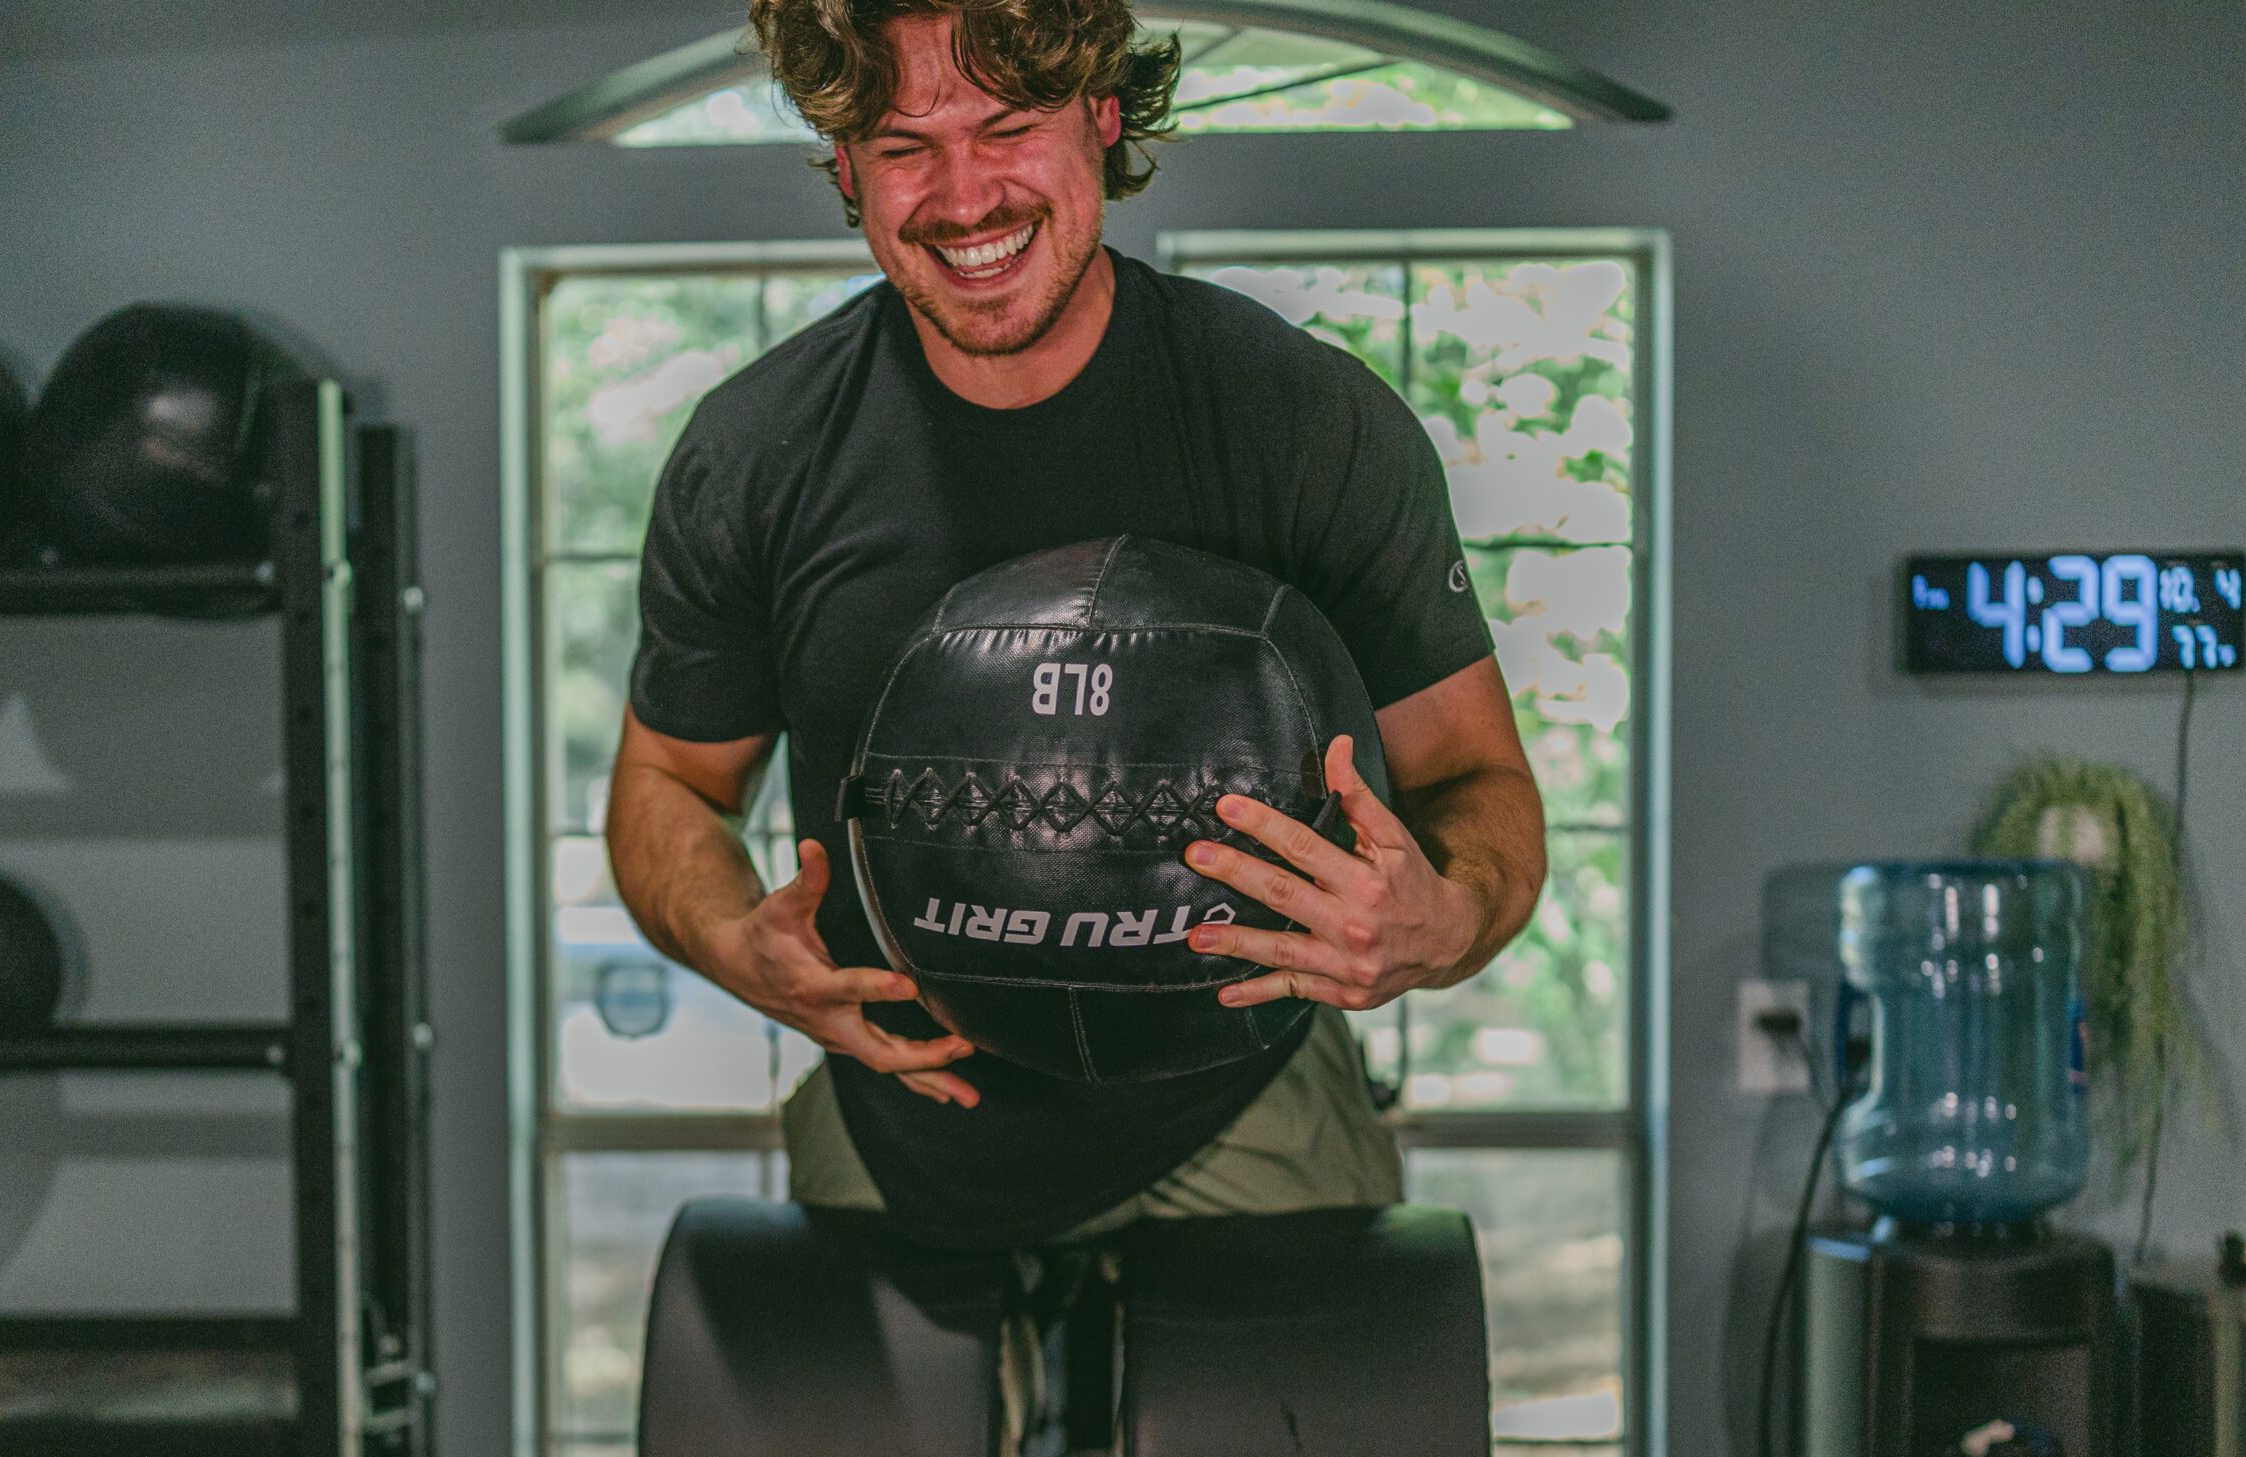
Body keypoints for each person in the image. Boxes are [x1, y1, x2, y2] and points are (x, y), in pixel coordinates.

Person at [609, 0, 1545, 1256]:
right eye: (902, 146)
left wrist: (1444, 918)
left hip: (1243, 1104)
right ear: (844, 171)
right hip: (903, 1109)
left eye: (1007, 127)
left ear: (1102, 117)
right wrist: (733, 938)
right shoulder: (756, 453)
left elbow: (1477, 780)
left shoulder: (1301, 419)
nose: (963, 196)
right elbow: (668, 777)